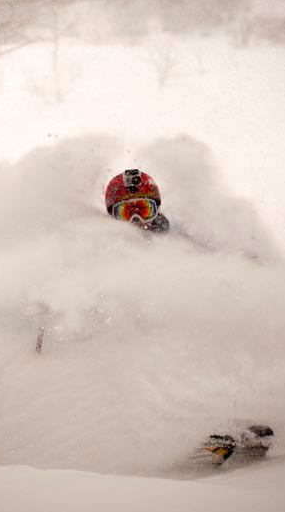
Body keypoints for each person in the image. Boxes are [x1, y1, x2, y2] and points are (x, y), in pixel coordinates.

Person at [104, 167, 274, 468]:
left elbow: (214, 260)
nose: (136, 221)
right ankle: (175, 440)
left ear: (156, 209)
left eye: (143, 209)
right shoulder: (103, 249)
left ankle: (231, 424)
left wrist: (243, 266)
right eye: (126, 212)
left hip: (178, 325)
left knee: (214, 345)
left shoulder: (177, 239)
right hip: (130, 336)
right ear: (112, 216)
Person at [104, 168, 170, 233]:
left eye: (144, 211)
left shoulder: (172, 238)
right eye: (125, 214)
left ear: (157, 211)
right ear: (111, 216)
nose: (137, 223)